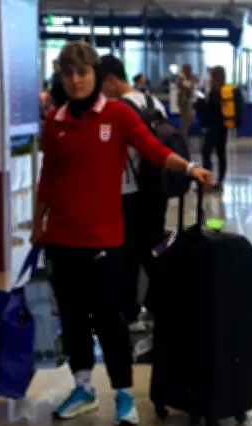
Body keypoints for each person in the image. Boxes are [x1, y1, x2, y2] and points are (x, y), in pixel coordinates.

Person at [31, 41, 212, 426]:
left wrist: (189, 168)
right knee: (73, 317)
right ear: (61, 78)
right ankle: (83, 387)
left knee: (109, 317)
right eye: (68, 74)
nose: (76, 80)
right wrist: (37, 225)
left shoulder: (117, 115)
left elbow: (152, 148)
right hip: (62, 238)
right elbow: (48, 177)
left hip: (104, 238)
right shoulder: (56, 121)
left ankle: (124, 394)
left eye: (82, 72)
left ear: (96, 74)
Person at [98, 54, 169, 336]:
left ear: (112, 81)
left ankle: (130, 312)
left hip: (129, 191)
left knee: (128, 255)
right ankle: (158, 305)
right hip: (157, 188)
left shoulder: (118, 109)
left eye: (102, 86)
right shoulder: (153, 102)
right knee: (153, 247)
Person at [201, 65, 243, 190]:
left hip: (213, 128)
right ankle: (219, 182)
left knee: (206, 152)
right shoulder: (226, 90)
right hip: (224, 127)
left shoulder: (214, 91)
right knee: (221, 154)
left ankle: (206, 181)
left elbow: (208, 111)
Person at [176, 64, 197, 143]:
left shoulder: (189, 77)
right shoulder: (181, 78)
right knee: (184, 120)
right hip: (183, 102)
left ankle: (183, 135)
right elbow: (183, 87)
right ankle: (182, 138)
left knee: (190, 118)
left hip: (188, 101)